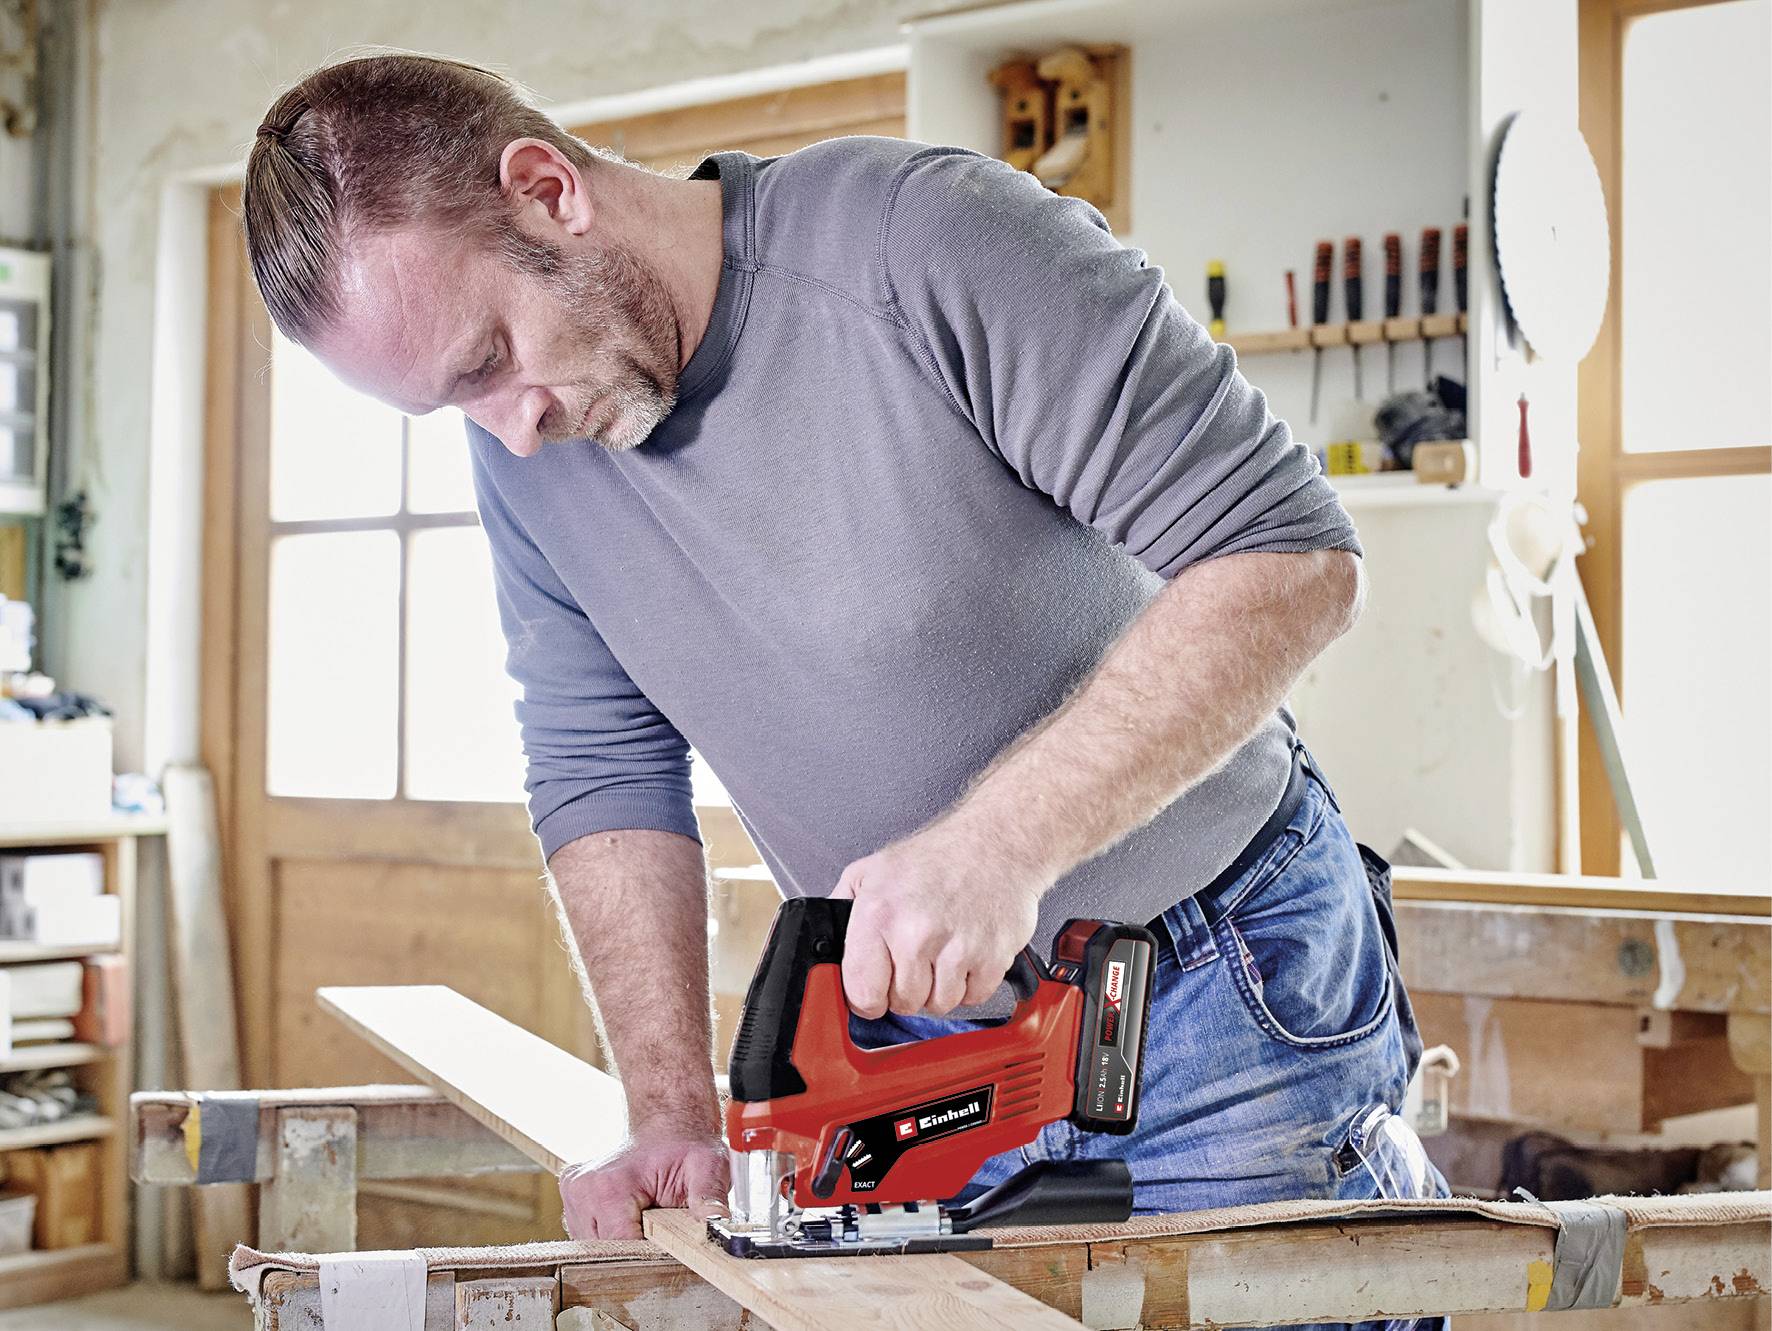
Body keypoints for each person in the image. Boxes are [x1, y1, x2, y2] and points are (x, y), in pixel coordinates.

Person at [243, 53, 1447, 1326]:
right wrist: (668, 1111)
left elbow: (1288, 556)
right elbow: (602, 773)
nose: (509, 427)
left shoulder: (920, 243)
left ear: (546, 189)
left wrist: (998, 844)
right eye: (451, 405)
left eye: (488, 355)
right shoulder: (530, 451)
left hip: (1214, 982)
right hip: (904, 1042)